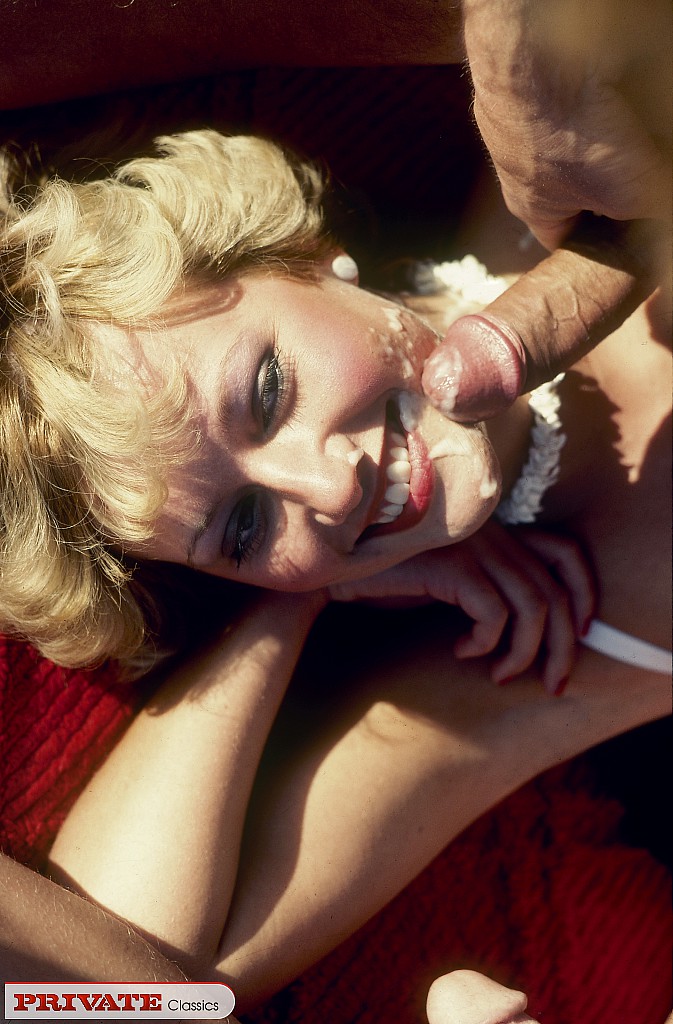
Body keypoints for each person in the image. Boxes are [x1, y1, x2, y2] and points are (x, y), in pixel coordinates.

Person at [2, 128, 668, 1022]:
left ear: (301, 255)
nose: (325, 487)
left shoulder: (538, 178)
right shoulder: (543, 647)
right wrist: (291, 606)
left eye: (266, 391)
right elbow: (129, 993)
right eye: (243, 527)